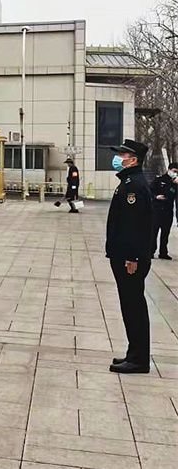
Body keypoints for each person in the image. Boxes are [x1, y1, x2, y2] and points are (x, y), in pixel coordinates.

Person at [104, 139, 155, 374]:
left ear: (132, 160)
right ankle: (134, 353)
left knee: (133, 305)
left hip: (130, 258)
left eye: (122, 155)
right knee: (130, 304)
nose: (118, 158)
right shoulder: (128, 181)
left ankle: (138, 359)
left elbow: (136, 226)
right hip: (125, 255)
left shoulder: (133, 185)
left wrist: (133, 256)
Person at [151, 162, 177, 260]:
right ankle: (151, 251)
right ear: (169, 169)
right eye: (174, 171)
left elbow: (172, 195)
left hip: (167, 211)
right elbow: (150, 191)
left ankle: (163, 252)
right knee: (154, 232)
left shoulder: (175, 183)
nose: (175, 173)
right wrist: (155, 197)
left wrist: (173, 184)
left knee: (165, 233)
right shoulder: (159, 179)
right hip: (157, 210)